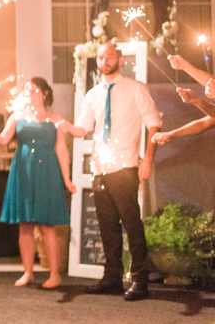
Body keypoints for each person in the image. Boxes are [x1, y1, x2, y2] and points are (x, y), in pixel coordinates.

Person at [57, 42, 162, 301]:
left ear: (120, 59)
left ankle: (140, 279)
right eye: (101, 57)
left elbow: (154, 126)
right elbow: (83, 129)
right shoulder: (92, 95)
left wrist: (147, 158)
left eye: (110, 56)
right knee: (106, 226)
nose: (105, 60)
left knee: (132, 224)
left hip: (125, 167)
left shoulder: (136, 89)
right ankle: (112, 277)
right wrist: (66, 127)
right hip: (100, 169)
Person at [0, 78, 76, 289]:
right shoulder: (17, 116)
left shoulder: (54, 118)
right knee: (25, 225)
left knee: (46, 225)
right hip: (23, 169)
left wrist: (67, 179)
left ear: (44, 94)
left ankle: (54, 274)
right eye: (26, 91)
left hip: (46, 170)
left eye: (33, 90)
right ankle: (28, 272)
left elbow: (61, 149)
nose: (29, 94)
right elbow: (4, 139)